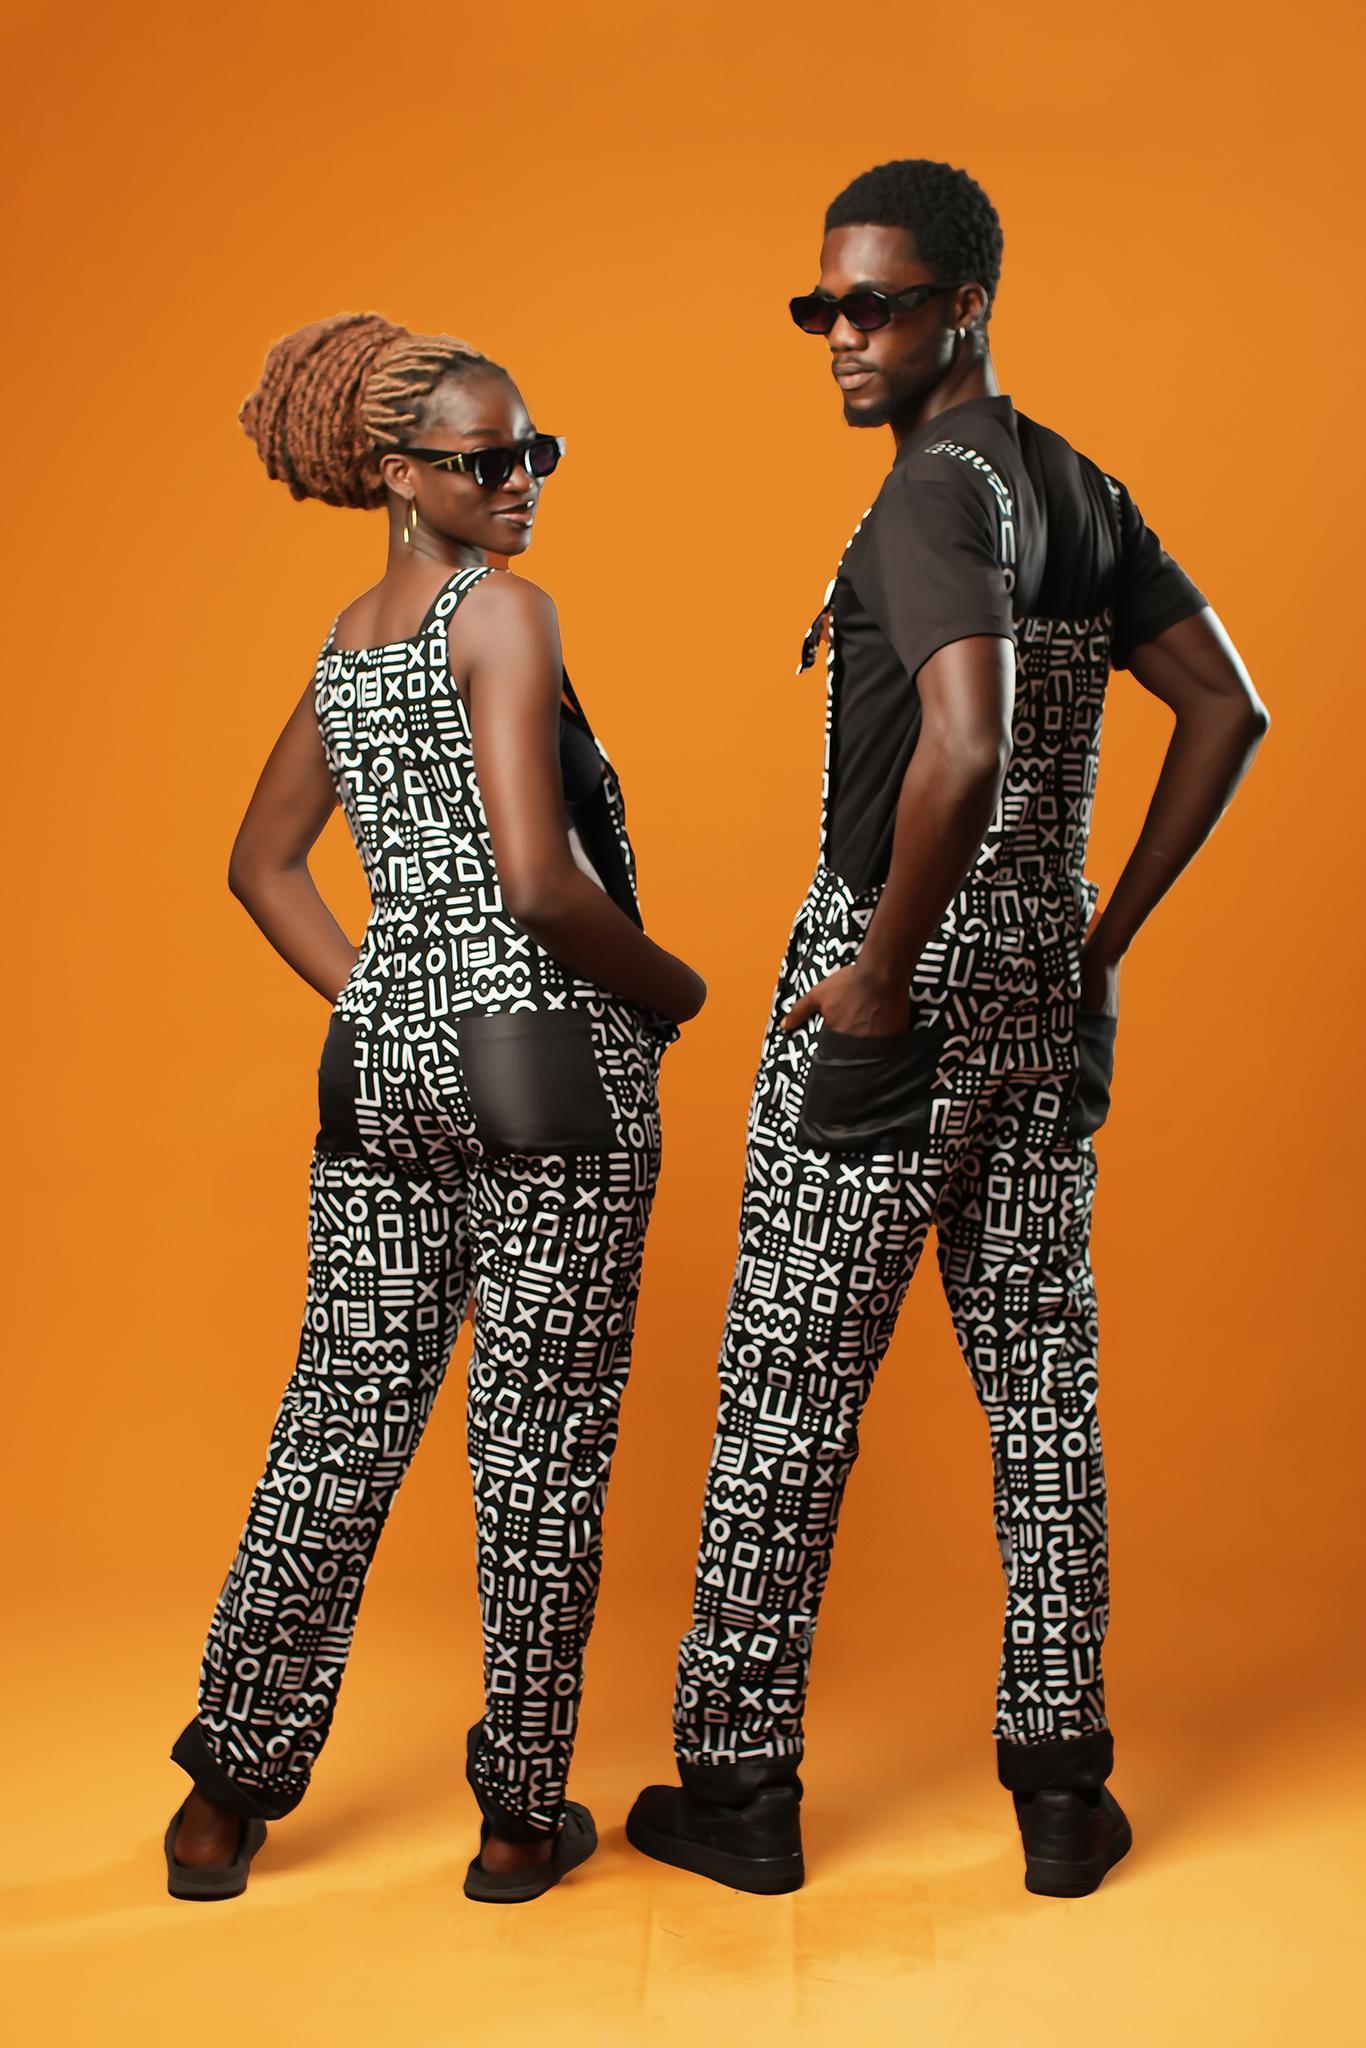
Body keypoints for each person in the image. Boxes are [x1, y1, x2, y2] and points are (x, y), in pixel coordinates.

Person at [627, 159, 1268, 1899]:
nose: (841, 336)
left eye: (876, 304)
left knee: (788, 1384)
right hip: (1037, 992)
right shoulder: (1077, 484)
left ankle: (740, 1790)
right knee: (1041, 1380)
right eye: (819, 305)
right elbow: (1225, 706)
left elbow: (964, 745)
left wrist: (884, 972)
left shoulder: (932, 488)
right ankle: (1062, 1791)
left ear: (961, 305)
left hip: (893, 976)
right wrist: (1094, 940)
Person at [164, 312, 705, 1906]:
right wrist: (670, 992)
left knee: (337, 1426)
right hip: (545, 1063)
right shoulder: (505, 615)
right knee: (536, 1449)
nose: (523, 481)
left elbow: (262, 864)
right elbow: (538, 880)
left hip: (380, 1072)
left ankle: (223, 1795)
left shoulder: (350, 643)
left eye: (535, 451)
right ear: (401, 474)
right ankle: (521, 1820)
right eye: (486, 461)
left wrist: (384, 993)